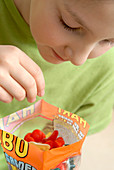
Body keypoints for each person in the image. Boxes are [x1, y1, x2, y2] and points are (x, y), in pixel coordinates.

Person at [0, 0, 114, 169]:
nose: (79, 59)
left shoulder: (104, 70)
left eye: (108, 41)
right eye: (70, 25)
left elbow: (63, 149)